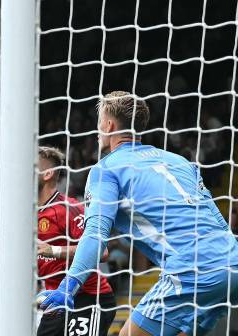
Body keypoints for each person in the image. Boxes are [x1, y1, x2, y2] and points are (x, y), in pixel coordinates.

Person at [39, 91, 238, 336]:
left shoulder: (106, 169)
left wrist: (67, 287)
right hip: (232, 260)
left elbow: (95, 235)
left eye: (99, 122)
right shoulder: (180, 161)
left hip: (192, 269)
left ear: (108, 124)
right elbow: (217, 218)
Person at [34, 146, 115, 336]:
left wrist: (53, 250)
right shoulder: (30, 214)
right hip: (55, 300)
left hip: (89, 297)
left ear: (47, 174)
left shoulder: (66, 208)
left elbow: (102, 252)